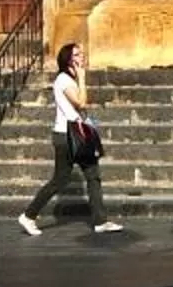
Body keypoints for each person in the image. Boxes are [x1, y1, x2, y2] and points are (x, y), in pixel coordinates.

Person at [18, 41, 121, 236]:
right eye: (76, 55)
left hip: (79, 133)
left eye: (81, 53)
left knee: (93, 175)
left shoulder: (69, 79)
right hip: (67, 137)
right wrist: (82, 78)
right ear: (67, 60)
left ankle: (100, 221)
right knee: (60, 180)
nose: (82, 57)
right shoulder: (63, 80)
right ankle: (29, 215)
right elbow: (80, 103)